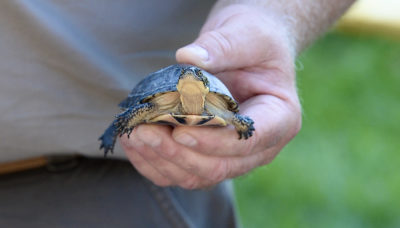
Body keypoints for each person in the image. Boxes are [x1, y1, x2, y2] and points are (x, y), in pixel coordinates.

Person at [0, 0, 354, 227]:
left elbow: (232, 114)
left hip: (110, 181)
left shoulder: (209, 101)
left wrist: (271, 14)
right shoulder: (165, 98)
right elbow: (140, 109)